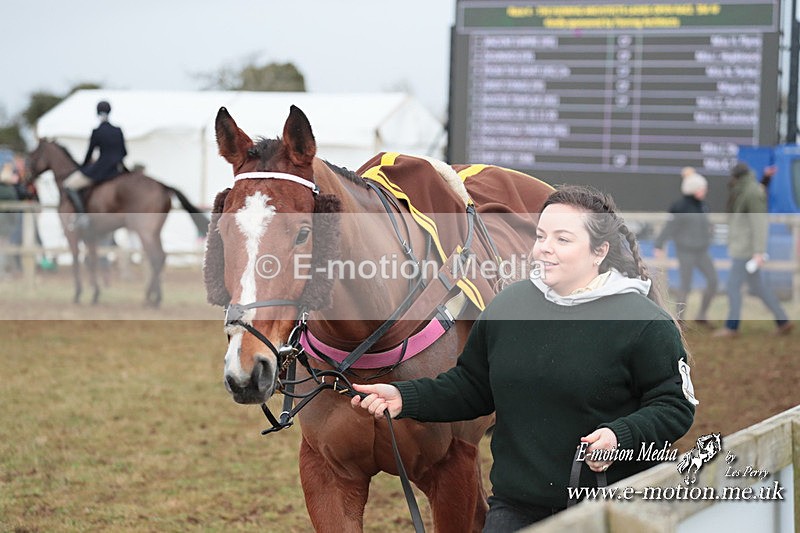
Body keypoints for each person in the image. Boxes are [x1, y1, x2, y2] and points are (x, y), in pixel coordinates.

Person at [351, 185, 697, 531]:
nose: (544, 249)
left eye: (562, 240)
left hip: (608, 511)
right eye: (541, 235)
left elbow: (673, 405)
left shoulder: (644, 322)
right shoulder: (509, 306)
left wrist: (619, 436)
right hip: (514, 508)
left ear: (599, 251)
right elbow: (472, 387)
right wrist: (404, 397)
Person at [714, 162, 793, 338]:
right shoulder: (749, 189)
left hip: (746, 250)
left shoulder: (750, 192)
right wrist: (766, 179)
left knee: (733, 286)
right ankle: (783, 320)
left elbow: (759, 223)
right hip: (744, 247)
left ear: (737, 177)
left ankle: (731, 327)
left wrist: (758, 252)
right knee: (758, 287)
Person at [653, 167, 717, 326]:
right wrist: (659, 244)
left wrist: (709, 235)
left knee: (713, 280)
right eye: (702, 188)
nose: (705, 190)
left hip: (702, 251)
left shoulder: (703, 206)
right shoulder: (680, 206)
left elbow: (708, 226)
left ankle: (702, 314)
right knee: (685, 285)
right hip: (686, 251)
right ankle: (679, 320)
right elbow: (670, 227)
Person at [62, 100, 128, 228]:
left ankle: (81, 217)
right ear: (110, 112)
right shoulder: (118, 130)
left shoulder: (97, 131)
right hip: (117, 170)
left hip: (101, 170)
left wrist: (82, 167)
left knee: (69, 185)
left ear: (97, 113)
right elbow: (124, 153)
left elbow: (89, 153)